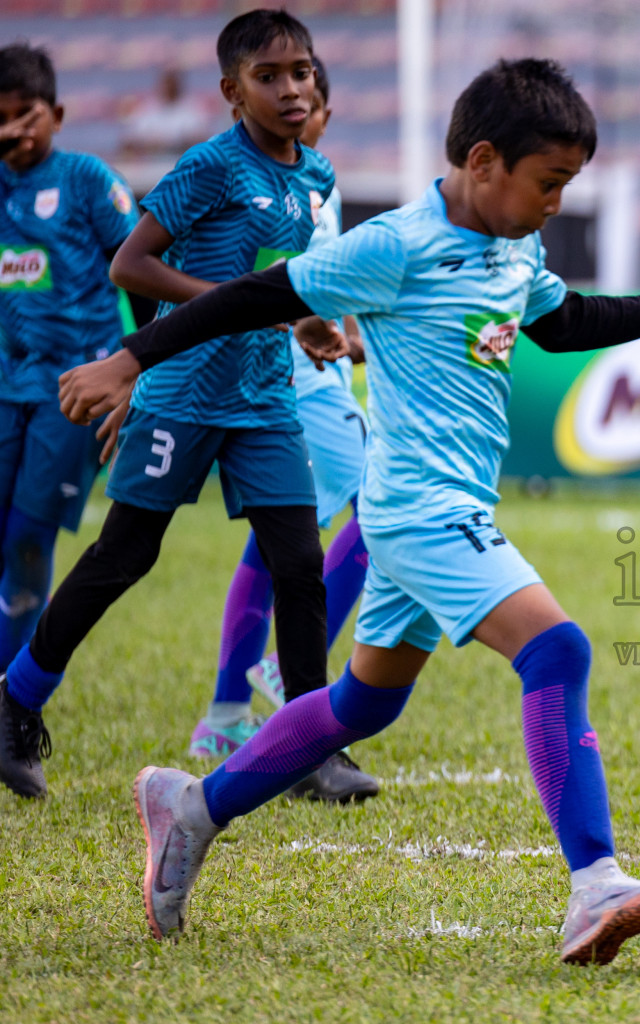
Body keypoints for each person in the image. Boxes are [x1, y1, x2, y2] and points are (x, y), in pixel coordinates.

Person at [59, 58, 640, 963]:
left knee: (364, 703)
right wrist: (130, 360)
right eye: (549, 182)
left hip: (446, 506)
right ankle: (595, 883)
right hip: (416, 508)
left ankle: (192, 807)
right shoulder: (395, 245)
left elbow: (564, 323)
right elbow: (257, 295)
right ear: (484, 161)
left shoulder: (517, 248)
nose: (558, 201)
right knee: (558, 647)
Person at [0, 10, 373, 801]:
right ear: (232, 93)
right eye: (268, 77)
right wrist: (244, 306)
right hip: (183, 390)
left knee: (301, 564)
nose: (292, 89)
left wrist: (325, 325)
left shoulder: (317, 174)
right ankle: (14, 701)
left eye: (301, 71)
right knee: (124, 556)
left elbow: (293, 280)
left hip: (266, 395)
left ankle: (309, 749)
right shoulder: (211, 166)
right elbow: (131, 267)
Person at [194, 56, 375, 803]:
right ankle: (284, 667)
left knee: (274, 539)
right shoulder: (292, 185)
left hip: (287, 373)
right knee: (385, 502)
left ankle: (226, 713)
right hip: (300, 380)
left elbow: (319, 285)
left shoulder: (311, 185)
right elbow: (289, 289)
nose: (309, 116)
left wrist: (347, 330)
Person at [0, 43, 139, 786]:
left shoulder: (86, 180)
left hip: (72, 389)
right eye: (0, 120)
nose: (14, 132)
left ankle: (8, 710)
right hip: (2, 381)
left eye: (26, 116)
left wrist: (137, 370)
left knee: (27, 541)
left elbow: (140, 267)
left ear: (56, 112)